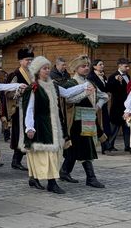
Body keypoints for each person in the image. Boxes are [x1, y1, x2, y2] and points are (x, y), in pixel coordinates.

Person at [21, 56, 91, 194]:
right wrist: (29, 126)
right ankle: (50, 182)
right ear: (37, 70)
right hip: (41, 124)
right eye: (44, 68)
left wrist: (83, 86)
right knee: (43, 153)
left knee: (54, 153)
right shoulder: (33, 88)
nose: (47, 71)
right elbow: (29, 108)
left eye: (48, 68)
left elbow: (66, 93)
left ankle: (37, 178)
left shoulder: (52, 84)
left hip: (54, 124)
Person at [60, 55, 108, 188]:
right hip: (77, 119)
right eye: (83, 66)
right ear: (76, 68)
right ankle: (91, 177)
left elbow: (104, 96)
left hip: (88, 118)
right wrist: (84, 94)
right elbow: (68, 100)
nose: (86, 68)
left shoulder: (90, 83)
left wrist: (97, 106)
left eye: (87, 66)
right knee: (86, 147)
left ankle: (64, 171)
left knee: (75, 148)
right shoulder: (71, 83)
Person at [7, 47, 34, 171]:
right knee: (20, 135)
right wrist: (20, 92)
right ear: (20, 61)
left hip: (31, 107)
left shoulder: (33, 73)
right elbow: (8, 93)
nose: (29, 62)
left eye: (31, 60)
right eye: (27, 60)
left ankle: (20, 159)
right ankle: (15, 160)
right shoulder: (16, 74)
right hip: (19, 109)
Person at [106, 58, 131, 153]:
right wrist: (116, 81)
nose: (128, 68)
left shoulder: (128, 76)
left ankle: (128, 146)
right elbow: (109, 88)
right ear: (120, 65)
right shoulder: (113, 76)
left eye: (128, 66)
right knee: (114, 127)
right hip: (117, 105)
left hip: (126, 106)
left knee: (127, 126)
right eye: (126, 66)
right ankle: (109, 146)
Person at [88, 59, 113, 153]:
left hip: (104, 103)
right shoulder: (91, 76)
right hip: (95, 104)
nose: (102, 66)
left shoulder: (103, 76)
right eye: (100, 64)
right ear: (94, 66)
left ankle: (105, 146)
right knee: (97, 125)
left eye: (103, 64)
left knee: (105, 124)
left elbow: (106, 88)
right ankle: (96, 146)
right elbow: (93, 91)